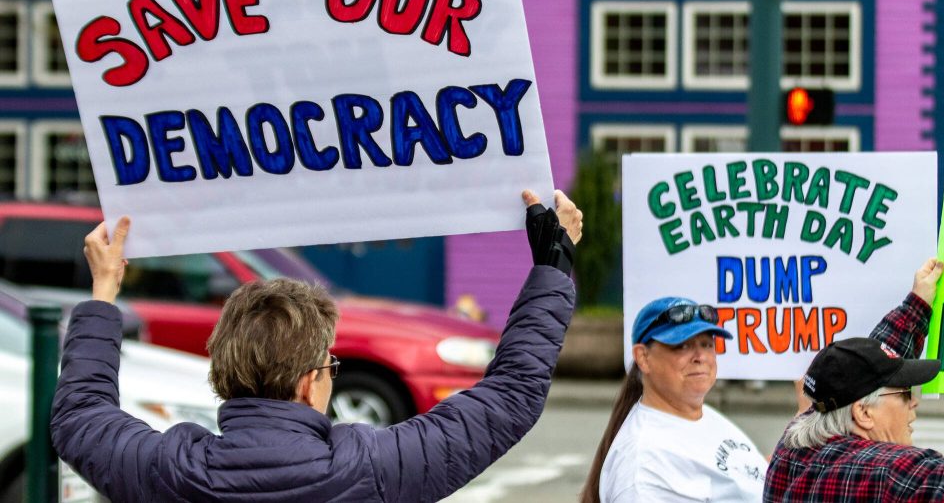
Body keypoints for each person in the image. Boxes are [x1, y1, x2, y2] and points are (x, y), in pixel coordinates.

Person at [50, 189, 582, 503]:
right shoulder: (371, 468)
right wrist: (552, 266)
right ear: (310, 382)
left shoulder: (170, 470)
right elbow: (511, 396)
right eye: (330, 363)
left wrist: (103, 293)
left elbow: (79, 417)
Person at [766, 257, 944, 502]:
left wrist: (917, 304)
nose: (914, 402)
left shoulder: (794, 445)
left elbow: (869, 367)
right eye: (903, 393)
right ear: (863, 412)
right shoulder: (883, 473)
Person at [582, 296, 768, 502]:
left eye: (707, 344)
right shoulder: (643, 467)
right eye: (682, 346)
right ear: (643, 357)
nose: (700, 356)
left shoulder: (702, 416)